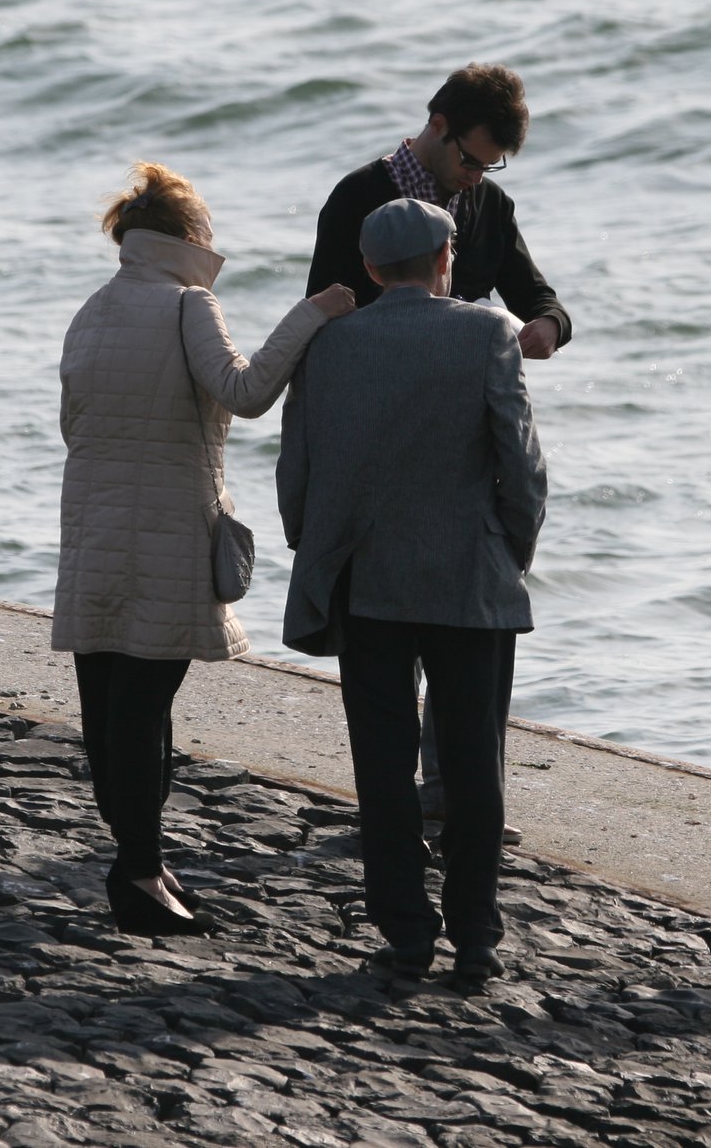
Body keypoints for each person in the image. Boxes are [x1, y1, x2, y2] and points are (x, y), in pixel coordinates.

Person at [55, 162, 355, 936]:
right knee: (146, 712)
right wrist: (313, 311)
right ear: (187, 238)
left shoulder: (92, 310)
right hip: (166, 537)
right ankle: (139, 874)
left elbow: (74, 426)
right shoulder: (189, 303)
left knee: (111, 709)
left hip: (92, 531)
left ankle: (140, 861)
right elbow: (246, 391)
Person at [279, 198, 547, 985]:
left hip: (367, 582)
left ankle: (405, 932)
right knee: (473, 765)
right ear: (445, 259)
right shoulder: (488, 332)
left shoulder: (329, 344)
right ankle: (476, 936)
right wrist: (510, 551)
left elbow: (297, 471)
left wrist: (315, 553)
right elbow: (522, 467)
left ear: (367, 268)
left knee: (383, 766)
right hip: (469, 579)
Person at [308, 63, 568, 832]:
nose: (475, 175)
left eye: (490, 167)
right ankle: (400, 803)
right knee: (389, 649)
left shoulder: (488, 204)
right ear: (440, 124)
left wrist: (546, 328)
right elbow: (323, 323)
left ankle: (464, 796)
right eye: (470, 159)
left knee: (478, 645)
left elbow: (540, 295)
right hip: (382, 453)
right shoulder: (360, 199)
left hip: (466, 455)